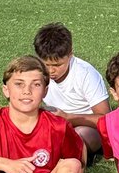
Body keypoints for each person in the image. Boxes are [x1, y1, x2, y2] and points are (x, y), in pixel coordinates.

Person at [33, 22, 110, 155]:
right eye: (46, 64)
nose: (51, 71)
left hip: (86, 126)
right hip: (56, 123)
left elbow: (105, 119)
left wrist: (68, 117)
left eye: (57, 65)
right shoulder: (36, 72)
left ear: (70, 54)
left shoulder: (86, 74)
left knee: (78, 135)